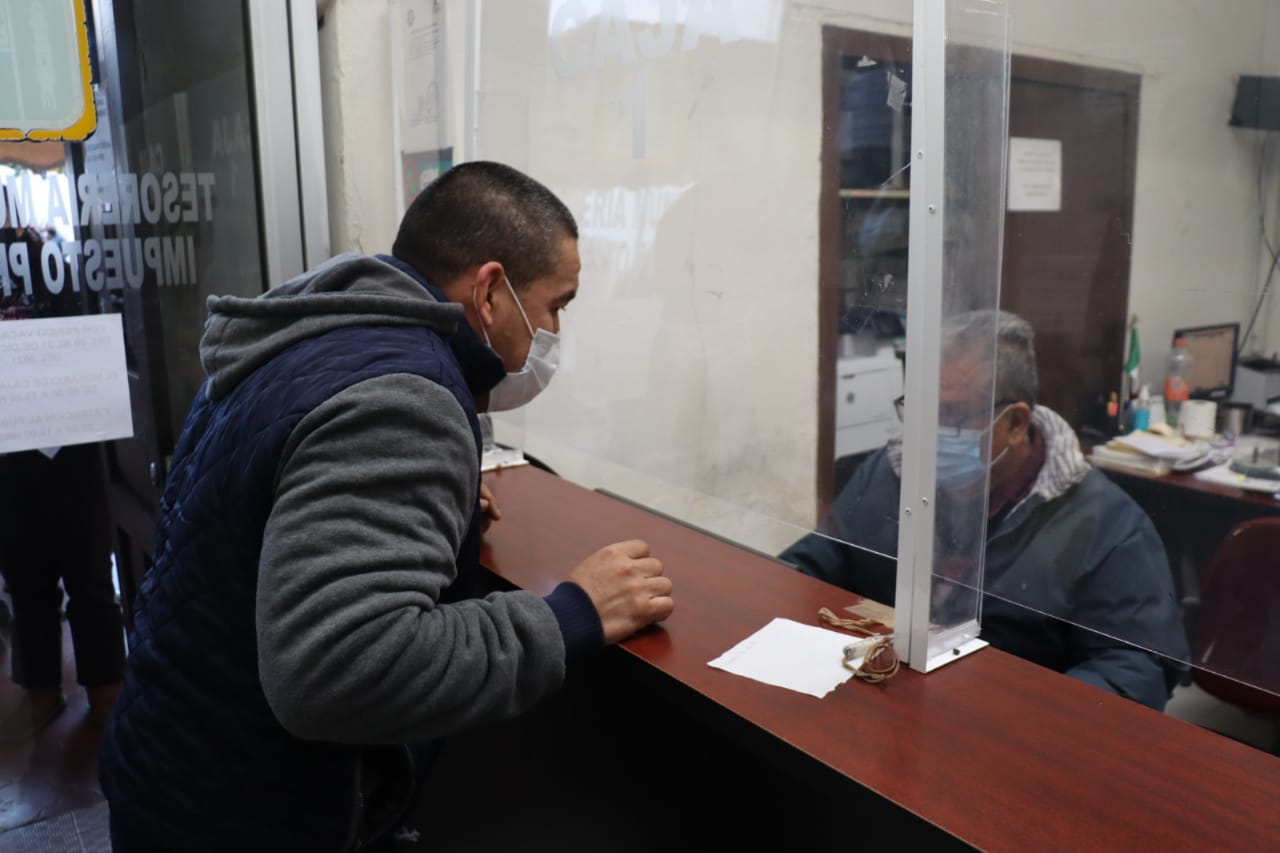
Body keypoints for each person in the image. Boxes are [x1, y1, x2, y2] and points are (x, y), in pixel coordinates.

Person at [98, 162, 675, 852]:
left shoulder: (316, 334)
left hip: (170, 768)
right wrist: (573, 614)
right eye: (556, 305)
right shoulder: (405, 397)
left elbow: (265, 495)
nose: (553, 331)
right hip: (246, 817)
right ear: (491, 291)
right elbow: (336, 672)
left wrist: (423, 504)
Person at [780, 310, 1189, 711]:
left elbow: (1136, 668)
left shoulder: (1107, 524)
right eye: (920, 409)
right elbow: (817, 560)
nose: (927, 433)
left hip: (1005, 725)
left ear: (1015, 423)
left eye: (951, 415)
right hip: (882, 699)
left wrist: (1024, 718)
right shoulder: (891, 472)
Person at [0, 222, 126, 741]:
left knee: (73, 577)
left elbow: (84, 324)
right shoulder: (37, 252)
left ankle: (80, 702)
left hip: (56, 435)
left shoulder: (38, 253)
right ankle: (75, 703)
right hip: (34, 439)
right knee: (53, 579)